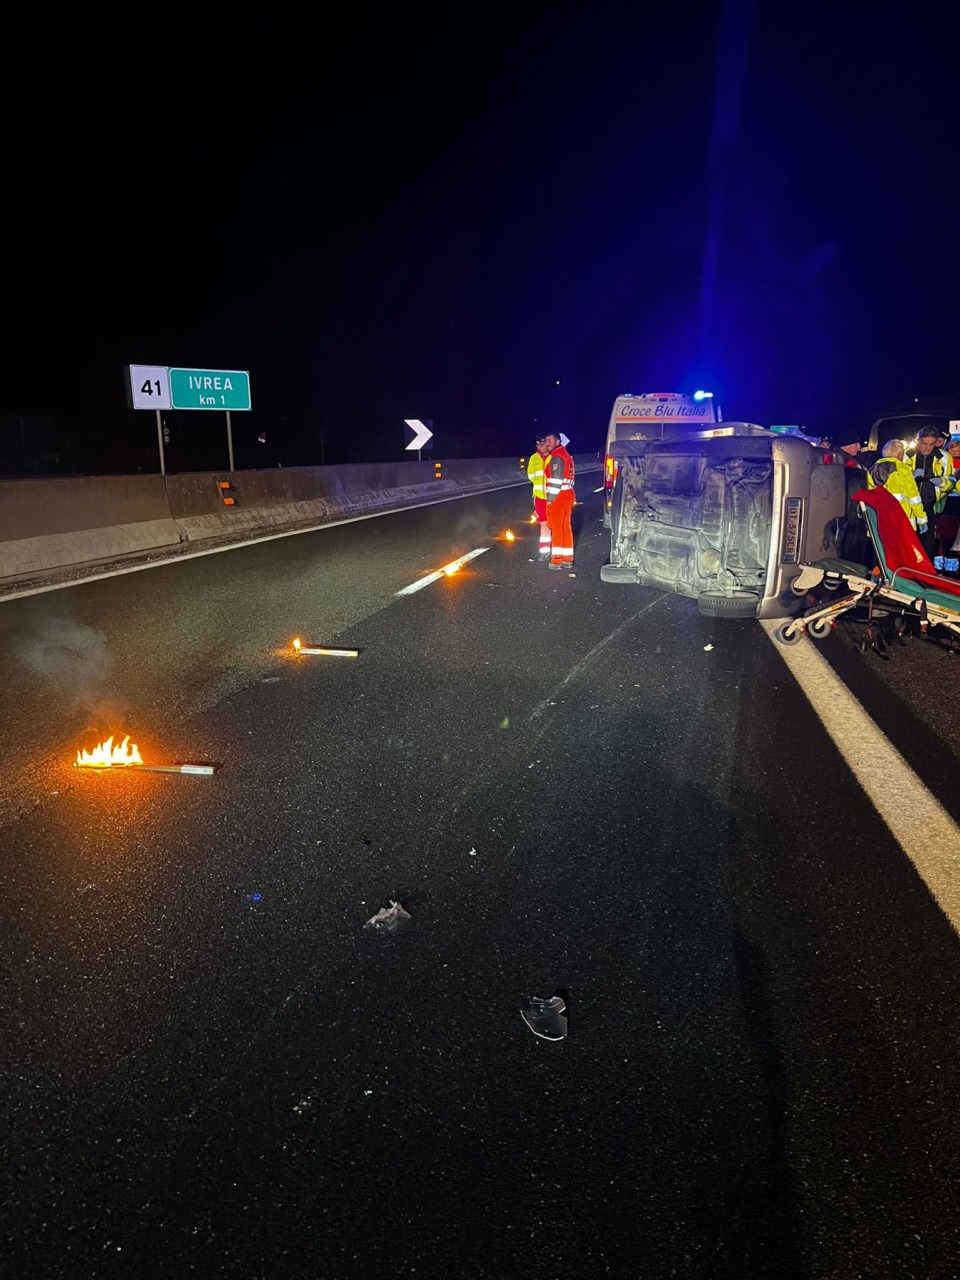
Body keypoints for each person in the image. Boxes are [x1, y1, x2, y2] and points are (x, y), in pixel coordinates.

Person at [905, 426, 956, 559]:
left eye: (931, 444)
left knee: (927, 546)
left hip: (931, 507)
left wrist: (942, 482)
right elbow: (898, 480)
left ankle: (924, 576)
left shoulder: (945, 457)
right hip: (909, 508)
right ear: (918, 441)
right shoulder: (907, 455)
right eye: (924, 444)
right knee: (907, 545)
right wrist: (911, 475)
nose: (927, 448)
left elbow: (951, 480)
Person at [866, 440, 925, 533]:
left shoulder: (872, 469)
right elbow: (913, 497)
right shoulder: (902, 469)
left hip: (880, 520)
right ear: (900, 454)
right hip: (901, 520)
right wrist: (922, 519)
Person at [541, 431, 576, 569]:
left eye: (550, 441)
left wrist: (550, 500)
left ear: (558, 442)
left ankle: (556, 560)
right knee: (565, 527)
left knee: (556, 527)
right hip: (568, 494)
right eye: (546, 441)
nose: (547, 444)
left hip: (559, 496)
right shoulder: (567, 456)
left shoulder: (557, 457)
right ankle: (567, 559)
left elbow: (556, 481)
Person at [527, 436, 551, 559]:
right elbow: (531, 475)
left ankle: (557, 548)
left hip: (553, 496)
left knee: (555, 524)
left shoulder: (554, 457)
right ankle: (545, 550)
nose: (540, 448)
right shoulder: (533, 458)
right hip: (539, 497)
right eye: (538, 445)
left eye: (542, 445)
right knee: (543, 524)